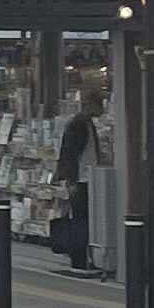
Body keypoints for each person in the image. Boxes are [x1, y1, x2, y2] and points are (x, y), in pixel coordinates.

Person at [53, 91, 103, 269]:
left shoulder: (86, 123)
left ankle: (83, 257)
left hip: (87, 178)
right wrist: (72, 180)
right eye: (99, 105)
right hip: (81, 180)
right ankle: (79, 258)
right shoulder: (78, 125)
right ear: (91, 105)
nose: (102, 110)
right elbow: (70, 154)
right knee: (81, 220)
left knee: (83, 219)